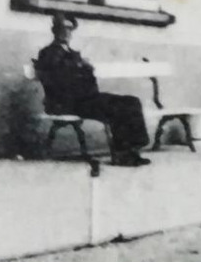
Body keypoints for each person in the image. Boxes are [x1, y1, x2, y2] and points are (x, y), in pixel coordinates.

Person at [32, 14, 152, 166]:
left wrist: (85, 67)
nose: (67, 32)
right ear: (54, 30)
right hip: (66, 103)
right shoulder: (48, 53)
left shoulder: (73, 54)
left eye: (70, 28)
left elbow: (86, 77)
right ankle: (121, 154)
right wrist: (80, 67)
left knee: (131, 101)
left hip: (86, 98)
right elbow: (58, 80)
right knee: (115, 107)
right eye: (63, 28)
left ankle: (133, 149)